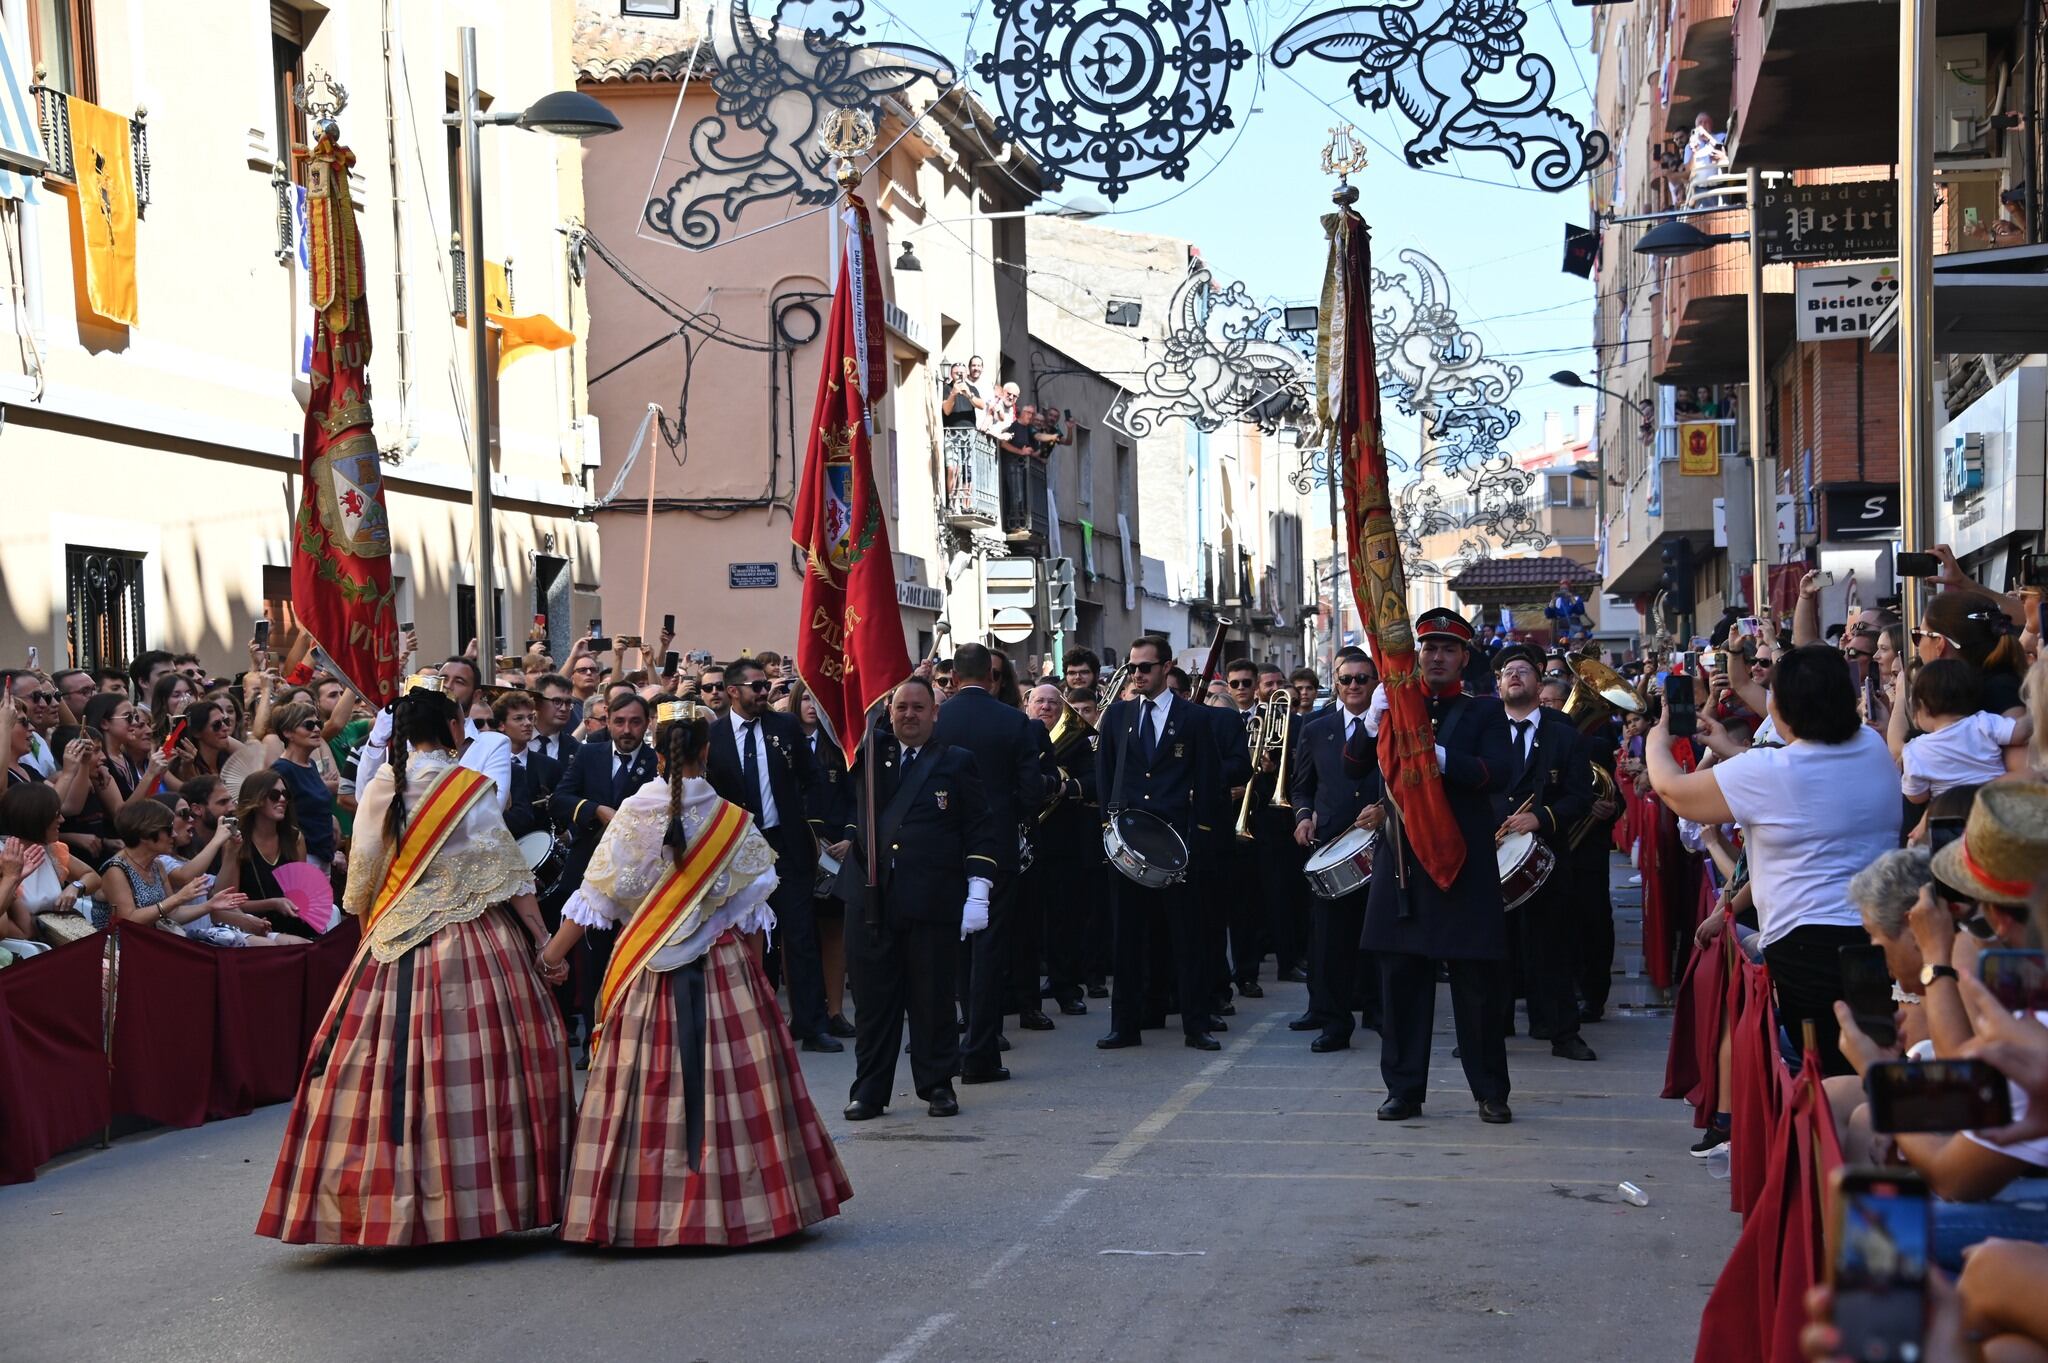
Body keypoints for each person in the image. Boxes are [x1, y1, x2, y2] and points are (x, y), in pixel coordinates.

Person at [256, 681, 570, 1246]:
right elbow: (509, 873)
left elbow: (364, 874)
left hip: (397, 941)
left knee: (384, 1065)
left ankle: (387, 1201)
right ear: (452, 729)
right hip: (478, 941)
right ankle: (484, 1200)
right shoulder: (470, 786)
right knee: (488, 1064)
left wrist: (367, 936)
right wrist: (542, 943)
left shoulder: (382, 784)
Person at [536, 703, 851, 1245]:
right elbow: (754, 914)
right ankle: (744, 1207)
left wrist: (550, 957)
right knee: (732, 1089)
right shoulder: (733, 819)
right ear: (707, 753)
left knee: (641, 1087)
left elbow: (597, 899)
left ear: (658, 753)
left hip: (645, 969)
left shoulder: (635, 811)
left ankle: (636, 1213)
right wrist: (756, 985)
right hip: (722, 971)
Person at [1653, 644, 1901, 1076]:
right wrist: (1730, 748)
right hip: (1880, 930)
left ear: (1783, 709)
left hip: (1808, 942)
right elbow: (1789, 775)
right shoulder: (1870, 746)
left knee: (1824, 1070)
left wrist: (1661, 736)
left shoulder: (1771, 773)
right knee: (1867, 1056)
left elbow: (1675, 792)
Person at [1362, 609, 1516, 1123]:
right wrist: (1372, 721)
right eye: (1428, 648)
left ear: (1464, 658)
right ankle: (1404, 1090)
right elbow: (1350, 764)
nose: (1437, 657)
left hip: (1462, 862)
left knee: (1478, 987)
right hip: (1404, 859)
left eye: (1448, 649)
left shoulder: (1485, 712)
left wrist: (1436, 756)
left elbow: (1498, 773)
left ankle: (1490, 1091)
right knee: (1401, 982)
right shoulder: (1392, 708)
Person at [837, 677, 1000, 1120]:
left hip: (931, 899)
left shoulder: (956, 762)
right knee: (873, 1003)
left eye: (918, 708)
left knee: (931, 1000)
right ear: (888, 713)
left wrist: (978, 889)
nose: (909, 715)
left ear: (935, 714)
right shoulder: (868, 757)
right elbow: (840, 780)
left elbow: (979, 827)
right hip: (871, 898)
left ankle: (937, 1084)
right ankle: (869, 1090)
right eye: (901, 707)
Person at [1096, 635, 1245, 1052]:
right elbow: (1107, 776)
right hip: (1130, 845)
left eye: (1145, 667)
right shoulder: (1118, 715)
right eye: (1132, 668)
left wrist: (1199, 838)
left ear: (1166, 668)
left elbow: (1212, 783)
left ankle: (1196, 1024)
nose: (1138, 675)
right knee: (1127, 940)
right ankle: (1124, 1025)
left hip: (1178, 842)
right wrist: (1109, 834)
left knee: (1188, 938)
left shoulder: (1194, 718)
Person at [933, 642, 1052, 1079]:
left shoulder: (937, 717)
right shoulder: (1013, 722)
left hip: (943, 847)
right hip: (996, 848)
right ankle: (980, 1051)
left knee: (946, 947)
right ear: (991, 675)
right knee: (989, 948)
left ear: (955, 676)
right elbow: (1029, 792)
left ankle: (945, 1043)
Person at [1491, 645, 1598, 1061]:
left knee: (1551, 946)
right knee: (1492, 949)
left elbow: (1581, 797)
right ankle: (1490, 1029)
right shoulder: (1485, 731)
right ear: (1497, 684)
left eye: (1523, 670)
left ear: (1538, 682)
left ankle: (1562, 1033)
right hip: (1491, 853)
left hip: (1546, 856)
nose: (1514, 676)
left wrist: (1542, 818)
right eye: (1506, 671)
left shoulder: (1565, 735)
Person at [549, 691, 660, 1042]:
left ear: (647, 724)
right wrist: (595, 810)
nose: (627, 730)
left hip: (641, 877)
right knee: (593, 962)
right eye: (620, 721)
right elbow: (560, 799)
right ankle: (595, 1036)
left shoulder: (657, 761)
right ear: (607, 721)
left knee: (634, 960)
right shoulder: (589, 754)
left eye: (635, 722)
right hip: (592, 871)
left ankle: (632, 1035)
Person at [1289, 647, 1383, 1051]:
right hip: (1330, 844)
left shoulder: (1392, 725)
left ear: (1375, 683)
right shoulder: (1314, 727)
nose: (1354, 686)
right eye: (1346, 679)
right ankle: (1333, 1022)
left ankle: (1381, 1013)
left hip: (1383, 841)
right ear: (1337, 684)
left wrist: (1384, 810)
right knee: (1330, 940)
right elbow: (1302, 785)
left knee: (1381, 935)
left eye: (1363, 678)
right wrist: (1304, 816)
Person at [1901, 660, 2031, 826]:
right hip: (1995, 807)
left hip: (1950, 819)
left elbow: (1916, 796)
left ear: (1923, 706)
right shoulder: (1983, 723)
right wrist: (2035, 712)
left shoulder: (1914, 750)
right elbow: (2020, 733)